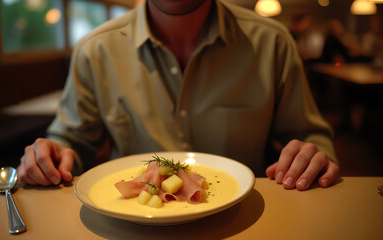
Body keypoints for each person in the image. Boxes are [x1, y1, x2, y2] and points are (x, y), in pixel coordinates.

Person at [17, 0, 339, 191]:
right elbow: (70, 143)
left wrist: (313, 157)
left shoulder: (273, 43)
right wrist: (52, 156)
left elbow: (309, 136)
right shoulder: (95, 50)